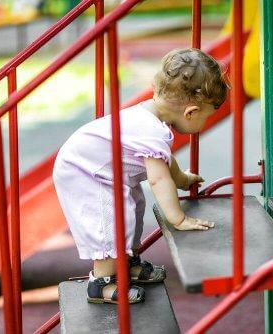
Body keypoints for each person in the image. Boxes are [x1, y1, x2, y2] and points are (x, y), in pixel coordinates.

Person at [53, 48, 229, 304]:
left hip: (100, 170)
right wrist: (177, 218)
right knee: (111, 222)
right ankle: (101, 284)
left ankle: (127, 262)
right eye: (205, 117)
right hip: (85, 173)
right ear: (190, 112)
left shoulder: (152, 117)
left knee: (135, 206)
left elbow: (165, 161)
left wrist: (182, 180)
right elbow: (158, 179)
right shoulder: (150, 130)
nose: (202, 123)